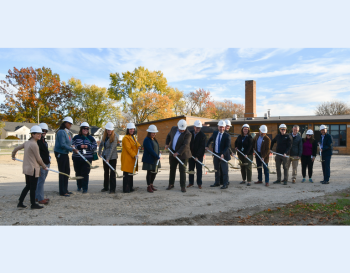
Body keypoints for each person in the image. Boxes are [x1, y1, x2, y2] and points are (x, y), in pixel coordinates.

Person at [12, 125, 48, 209]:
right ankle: (33, 204)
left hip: (26, 169)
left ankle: (20, 202)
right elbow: (38, 158)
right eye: (37, 134)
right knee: (33, 188)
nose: (40, 135)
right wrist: (44, 166)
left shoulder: (27, 143)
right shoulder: (34, 144)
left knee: (28, 186)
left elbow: (15, 149)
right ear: (32, 134)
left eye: (40, 133)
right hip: (33, 169)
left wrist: (13, 156)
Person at [165, 119, 192, 193]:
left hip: (183, 155)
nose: (182, 131)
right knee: (172, 169)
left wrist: (178, 153)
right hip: (172, 153)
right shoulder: (173, 129)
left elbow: (185, 145)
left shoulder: (188, 134)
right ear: (177, 126)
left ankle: (182, 186)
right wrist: (167, 143)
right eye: (180, 129)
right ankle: (171, 184)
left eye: (183, 130)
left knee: (182, 171)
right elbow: (168, 136)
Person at [54, 117, 78, 197]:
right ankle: (62, 191)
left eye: (71, 124)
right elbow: (62, 144)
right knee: (62, 172)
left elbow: (68, 143)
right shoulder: (61, 132)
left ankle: (65, 189)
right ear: (65, 123)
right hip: (60, 153)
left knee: (67, 171)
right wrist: (72, 149)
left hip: (65, 153)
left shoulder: (67, 132)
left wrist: (72, 146)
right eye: (69, 123)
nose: (70, 125)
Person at [72, 122, 97, 193]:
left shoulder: (91, 138)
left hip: (87, 159)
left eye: (87, 129)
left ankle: (85, 188)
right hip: (77, 158)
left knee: (85, 173)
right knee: (78, 172)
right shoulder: (76, 137)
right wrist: (79, 147)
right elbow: (72, 146)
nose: (85, 130)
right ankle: (79, 186)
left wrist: (87, 146)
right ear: (81, 129)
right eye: (84, 128)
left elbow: (95, 146)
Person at [206, 120, 231, 189]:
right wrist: (207, 145)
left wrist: (223, 154)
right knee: (216, 169)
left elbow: (227, 146)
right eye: (220, 127)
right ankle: (217, 182)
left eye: (222, 127)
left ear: (224, 127)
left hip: (224, 155)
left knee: (224, 170)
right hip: (216, 154)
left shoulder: (227, 135)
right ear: (218, 127)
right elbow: (210, 139)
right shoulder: (215, 133)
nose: (221, 128)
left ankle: (225, 184)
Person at [98, 122, 119, 193]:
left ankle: (112, 189)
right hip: (105, 157)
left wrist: (108, 158)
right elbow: (101, 145)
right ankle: (106, 187)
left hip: (112, 157)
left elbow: (112, 149)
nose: (109, 131)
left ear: (112, 130)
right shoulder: (104, 136)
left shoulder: (115, 137)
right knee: (106, 172)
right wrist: (99, 152)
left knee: (112, 173)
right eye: (107, 130)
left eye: (110, 130)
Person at [121, 123, 141, 193]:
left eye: (133, 129)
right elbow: (128, 148)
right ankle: (126, 188)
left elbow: (136, 143)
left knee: (131, 174)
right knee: (126, 174)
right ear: (128, 130)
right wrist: (134, 155)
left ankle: (130, 187)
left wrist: (139, 146)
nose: (132, 130)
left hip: (131, 158)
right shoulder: (126, 138)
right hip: (127, 158)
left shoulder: (133, 137)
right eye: (130, 129)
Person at [142, 125, 161, 193]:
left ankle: (151, 184)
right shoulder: (147, 139)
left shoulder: (154, 139)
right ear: (149, 132)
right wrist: (157, 156)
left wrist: (158, 151)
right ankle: (148, 186)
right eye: (153, 132)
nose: (154, 134)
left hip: (155, 158)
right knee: (150, 173)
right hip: (149, 159)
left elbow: (155, 147)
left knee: (154, 172)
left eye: (155, 132)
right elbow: (150, 149)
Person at [187, 120, 206, 189]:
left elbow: (202, 147)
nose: (198, 129)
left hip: (199, 156)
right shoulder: (190, 133)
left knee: (199, 169)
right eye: (197, 128)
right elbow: (188, 144)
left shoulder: (203, 136)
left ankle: (199, 183)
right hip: (190, 155)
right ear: (194, 127)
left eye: (199, 128)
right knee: (191, 169)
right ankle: (191, 182)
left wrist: (197, 156)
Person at [35, 123, 51, 204]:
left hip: (46, 163)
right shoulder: (37, 142)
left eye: (45, 131)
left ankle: (37, 197)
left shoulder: (44, 141)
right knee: (40, 181)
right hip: (41, 164)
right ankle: (40, 198)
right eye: (42, 131)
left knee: (41, 181)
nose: (43, 133)